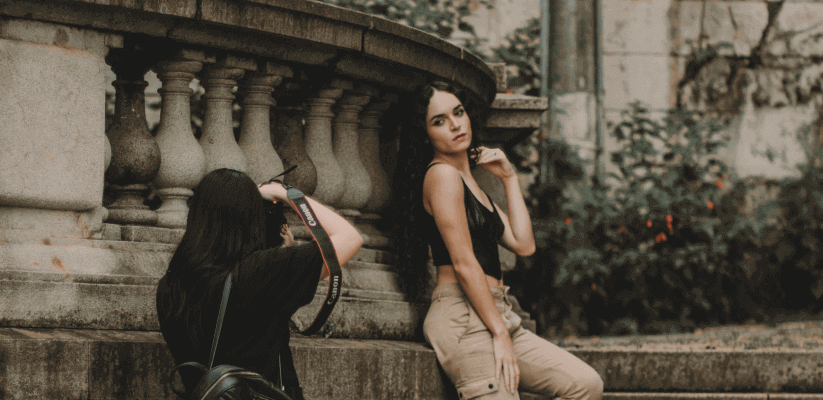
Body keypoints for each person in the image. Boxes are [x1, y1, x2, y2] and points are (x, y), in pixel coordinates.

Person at [394, 81, 604, 399]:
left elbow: (523, 244)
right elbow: (465, 264)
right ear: (426, 135)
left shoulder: (472, 184)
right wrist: (499, 332)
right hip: (464, 317)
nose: (454, 124)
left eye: (458, 113)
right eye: (439, 121)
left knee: (585, 385)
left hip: (496, 311)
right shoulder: (442, 176)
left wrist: (509, 178)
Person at [156, 168, 363, 400]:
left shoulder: (169, 285)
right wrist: (285, 193)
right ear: (251, 217)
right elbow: (350, 237)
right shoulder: (260, 271)